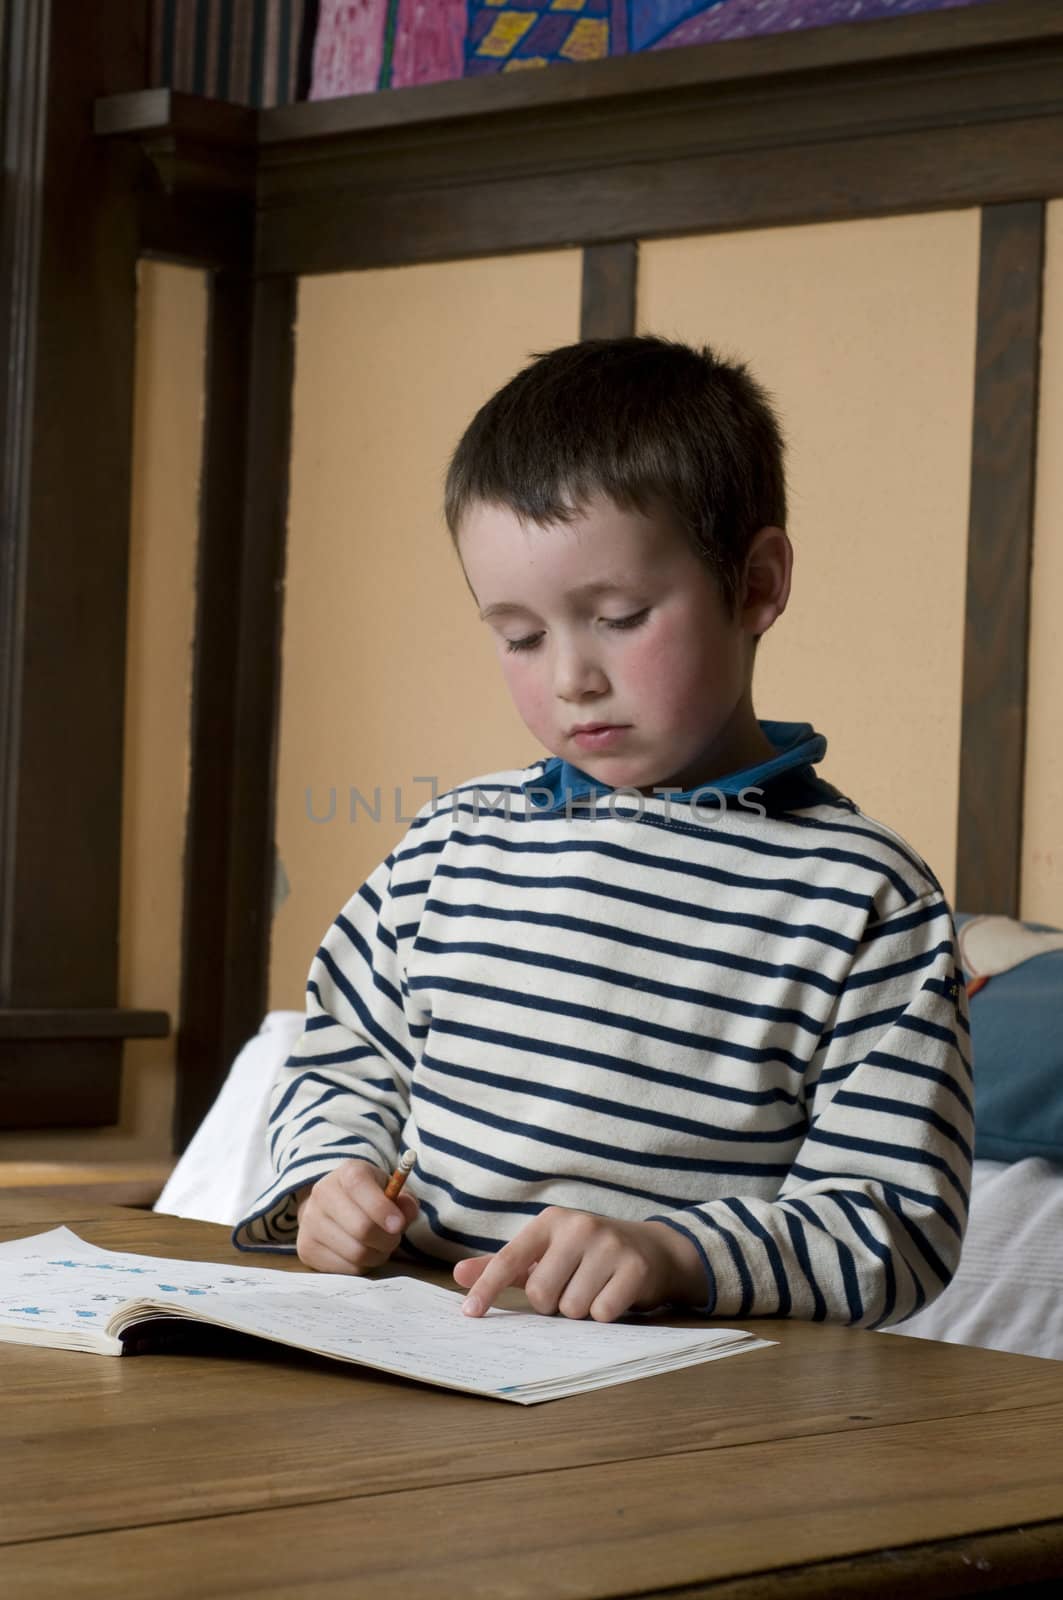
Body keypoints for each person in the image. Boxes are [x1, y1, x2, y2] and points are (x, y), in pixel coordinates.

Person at [233, 335, 973, 1329]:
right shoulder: (451, 846)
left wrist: (675, 1254)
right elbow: (345, 1057)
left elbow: (894, 1225)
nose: (569, 677)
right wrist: (330, 1181)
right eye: (518, 635)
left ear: (754, 585)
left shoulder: (864, 899)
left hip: (678, 1414)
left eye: (618, 615)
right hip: (410, 1354)